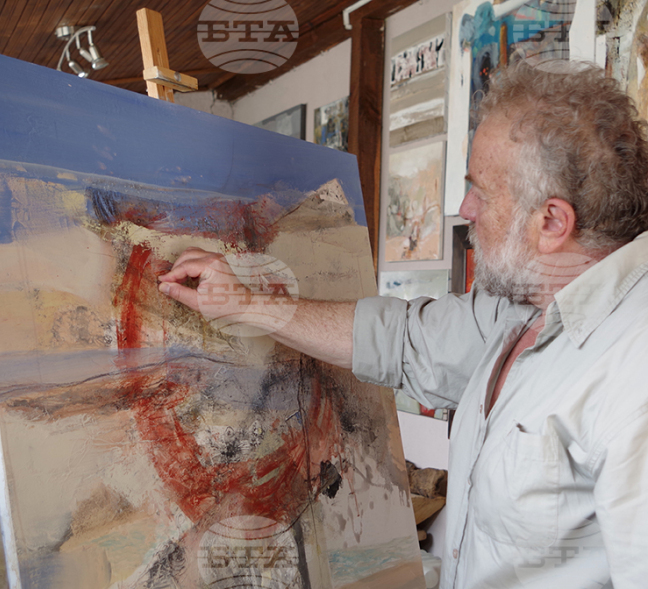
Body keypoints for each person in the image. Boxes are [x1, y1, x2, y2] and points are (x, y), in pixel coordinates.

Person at [158, 61, 648, 588]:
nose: (465, 209)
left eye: (481, 192)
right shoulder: (519, 306)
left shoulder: (632, 368)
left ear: (551, 222)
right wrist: (244, 303)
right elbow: (399, 339)